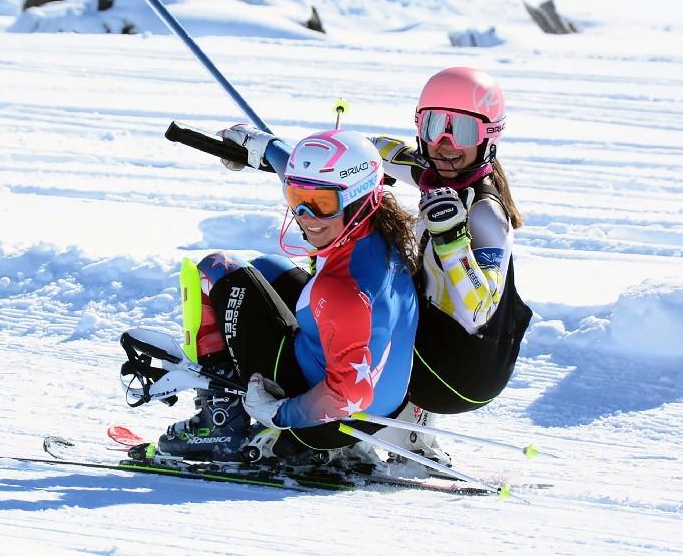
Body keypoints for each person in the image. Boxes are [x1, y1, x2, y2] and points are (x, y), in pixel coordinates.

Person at [154, 128, 421, 463]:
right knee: (268, 266)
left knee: (216, 270)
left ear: (360, 197)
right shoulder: (379, 231)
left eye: (322, 204)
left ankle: (219, 423)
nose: (306, 217)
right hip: (381, 405)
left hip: (327, 420)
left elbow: (348, 394)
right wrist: (266, 147)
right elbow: (309, 179)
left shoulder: (341, 290)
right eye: (295, 198)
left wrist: (280, 414)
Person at [369, 67, 533, 458]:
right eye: (432, 125)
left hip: (460, 374)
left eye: (459, 130)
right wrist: (278, 153)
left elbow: (478, 311)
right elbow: (371, 150)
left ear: (488, 137)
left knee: (368, 280)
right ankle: (411, 430)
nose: (443, 143)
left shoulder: (485, 212)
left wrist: (452, 241)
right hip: (449, 357)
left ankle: (356, 427)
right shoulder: (437, 177)